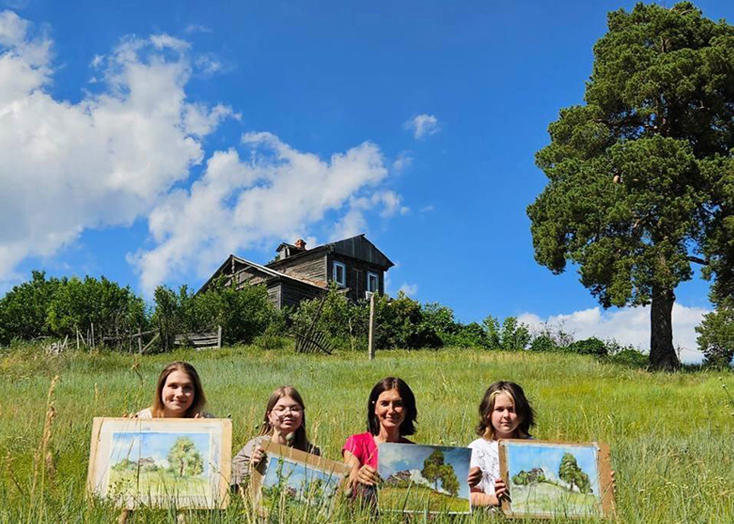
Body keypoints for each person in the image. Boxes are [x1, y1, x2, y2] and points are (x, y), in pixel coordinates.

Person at [342, 377, 418, 501]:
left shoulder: (413, 451)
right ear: (375, 408)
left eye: (398, 404)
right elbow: (349, 481)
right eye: (384, 404)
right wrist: (359, 475)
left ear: (406, 409)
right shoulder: (356, 443)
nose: (391, 410)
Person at [231, 386, 320, 489]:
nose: (288, 413)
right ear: (269, 416)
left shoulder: (312, 452)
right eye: (281, 409)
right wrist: (252, 468)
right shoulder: (254, 447)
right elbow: (235, 491)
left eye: (294, 409)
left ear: (302, 414)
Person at [468, 381, 535, 507]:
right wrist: (496, 500)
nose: (506, 415)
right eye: (499, 409)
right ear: (488, 414)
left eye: (511, 410)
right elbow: (468, 497)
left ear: (521, 415)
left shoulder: (534, 447)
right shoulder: (476, 449)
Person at [135, 361, 213, 419]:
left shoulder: (209, 421)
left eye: (187, 387)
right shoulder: (143, 419)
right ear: (161, 388)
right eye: (173, 386)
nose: (180, 394)